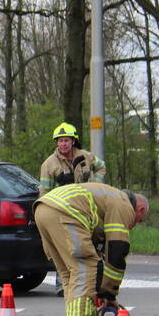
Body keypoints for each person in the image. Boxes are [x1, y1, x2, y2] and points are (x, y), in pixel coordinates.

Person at [33, 183, 148, 316]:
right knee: (86, 267)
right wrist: (109, 293)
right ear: (140, 210)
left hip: (43, 208)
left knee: (69, 272)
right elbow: (117, 250)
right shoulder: (124, 205)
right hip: (66, 211)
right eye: (139, 221)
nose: (133, 224)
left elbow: (99, 248)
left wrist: (100, 289)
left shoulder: (107, 197)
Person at [38, 122, 106, 296]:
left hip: (86, 209)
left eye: (66, 140)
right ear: (56, 143)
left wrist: (95, 185)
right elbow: (44, 192)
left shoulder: (85, 157)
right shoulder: (49, 165)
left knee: (90, 243)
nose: (63, 144)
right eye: (60, 141)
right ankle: (63, 285)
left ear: (73, 141)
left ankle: (93, 281)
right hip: (62, 212)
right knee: (65, 247)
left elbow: (101, 166)